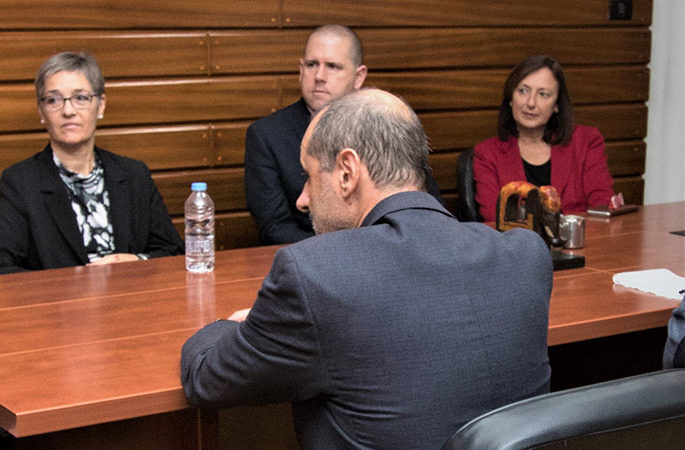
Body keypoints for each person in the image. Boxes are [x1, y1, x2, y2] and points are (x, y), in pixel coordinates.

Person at [180, 88, 552, 450]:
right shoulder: (526, 255)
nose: (303, 199)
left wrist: (236, 325)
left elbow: (207, 379)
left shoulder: (314, 275)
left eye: (309, 176)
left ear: (347, 172)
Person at [0, 51, 182, 276]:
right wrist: (68, 286)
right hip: (54, 299)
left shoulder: (134, 174)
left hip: (129, 296)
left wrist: (136, 261)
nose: (68, 111)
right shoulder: (20, 182)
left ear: (101, 105)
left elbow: (174, 253)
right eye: (54, 100)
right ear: (41, 111)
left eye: (81, 98)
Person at [244, 24, 442, 245]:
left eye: (333, 66)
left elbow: (427, 204)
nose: (319, 76)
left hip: (395, 250)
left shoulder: (387, 124)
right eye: (311, 65)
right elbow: (275, 229)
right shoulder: (267, 134)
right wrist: (349, 251)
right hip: (314, 255)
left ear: (359, 76)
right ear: (301, 70)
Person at [473, 54, 615, 221]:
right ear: (510, 98)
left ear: (556, 105)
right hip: (518, 238)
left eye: (543, 94)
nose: (531, 103)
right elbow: (495, 217)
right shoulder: (487, 154)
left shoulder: (586, 141)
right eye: (523, 91)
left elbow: (602, 207)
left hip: (582, 236)